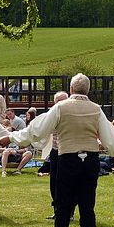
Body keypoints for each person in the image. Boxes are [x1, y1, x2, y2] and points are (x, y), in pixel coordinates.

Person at [0, 73, 114, 227]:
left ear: (71, 90)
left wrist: (11, 138)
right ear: (88, 90)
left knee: (63, 204)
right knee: (87, 205)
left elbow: (36, 130)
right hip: (90, 160)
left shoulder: (60, 107)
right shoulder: (96, 109)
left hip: (67, 159)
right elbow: (110, 139)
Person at [44, 91, 69, 219]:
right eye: (58, 101)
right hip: (55, 151)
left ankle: (69, 211)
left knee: (69, 182)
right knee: (54, 182)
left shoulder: (72, 114)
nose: (61, 104)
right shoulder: (51, 115)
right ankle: (57, 210)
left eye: (64, 100)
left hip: (69, 152)